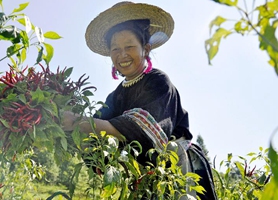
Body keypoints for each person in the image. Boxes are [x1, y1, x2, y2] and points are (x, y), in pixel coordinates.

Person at [63, 1, 217, 199]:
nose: (122, 54)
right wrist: (63, 126)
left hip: (176, 168)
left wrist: (78, 121)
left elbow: (143, 130)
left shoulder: (158, 82)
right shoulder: (115, 96)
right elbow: (95, 131)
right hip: (145, 175)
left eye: (129, 46)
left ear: (145, 48)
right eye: (115, 49)